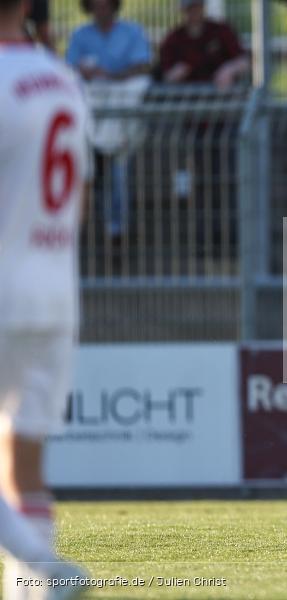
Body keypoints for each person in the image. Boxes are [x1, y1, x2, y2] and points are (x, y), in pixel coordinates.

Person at [0, 0, 92, 597]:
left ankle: (40, 563)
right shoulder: (63, 79)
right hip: (54, 290)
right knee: (24, 460)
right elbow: (80, 198)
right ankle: (36, 588)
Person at [66, 0, 151, 256]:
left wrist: (111, 77)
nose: (101, 8)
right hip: (88, 127)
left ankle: (117, 232)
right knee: (87, 176)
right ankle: (84, 234)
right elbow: (69, 69)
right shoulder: (80, 35)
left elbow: (143, 65)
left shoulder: (132, 32)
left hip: (121, 126)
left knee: (118, 176)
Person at [159, 0, 250, 90]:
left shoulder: (221, 31)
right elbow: (163, 76)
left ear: (203, 7)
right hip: (185, 96)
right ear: (183, 10)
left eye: (197, 7)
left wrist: (229, 69)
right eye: (190, 8)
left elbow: (244, 61)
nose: (194, 11)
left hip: (222, 94)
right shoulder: (173, 38)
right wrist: (173, 74)